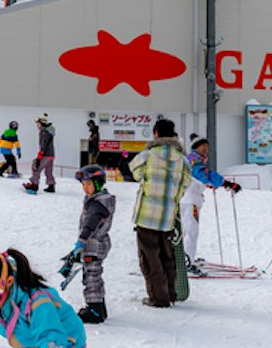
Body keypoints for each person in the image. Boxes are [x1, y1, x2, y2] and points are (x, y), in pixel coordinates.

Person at [130, 119, 191, 307]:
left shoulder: (148, 155)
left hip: (147, 215)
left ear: (156, 133)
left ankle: (159, 297)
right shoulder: (183, 160)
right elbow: (185, 184)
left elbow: (135, 171)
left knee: (150, 258)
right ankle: (170, 293)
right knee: (167, 256)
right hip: (168, 217)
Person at [181, 137, 240, 272]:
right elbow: (204, 175)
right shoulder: (194, 161)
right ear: (195, 147)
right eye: (203, 147)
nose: (206, 149)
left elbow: (196, 179)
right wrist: (226, 183)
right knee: (191, 232)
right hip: (190, 201)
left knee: (185, 231)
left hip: (187, 200)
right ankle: (187, 263)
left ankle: (184, 258)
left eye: (207, 147)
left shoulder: (192, 160)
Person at [68, 164, 116, 324]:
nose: (85, 188)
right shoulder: (98, 200)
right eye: (83, 184)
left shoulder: (97, 204)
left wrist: (80, 243)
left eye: (88, 184)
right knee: (95, 274)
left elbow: (90, 225)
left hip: (93, 245)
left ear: (97, 184)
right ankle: (99, 307)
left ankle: (94, 310)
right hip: (97, 243)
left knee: (91, 277)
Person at [22, 115, 56, 193]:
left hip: (46, 154)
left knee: (36, 167)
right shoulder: (49, 131)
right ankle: (51, 186)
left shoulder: (44, 132)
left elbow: (44, 144)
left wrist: (40, 155)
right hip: (51, 154)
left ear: (41, 123)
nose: (37, 125)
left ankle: (34, 185)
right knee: (48, 171)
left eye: (38, 123)